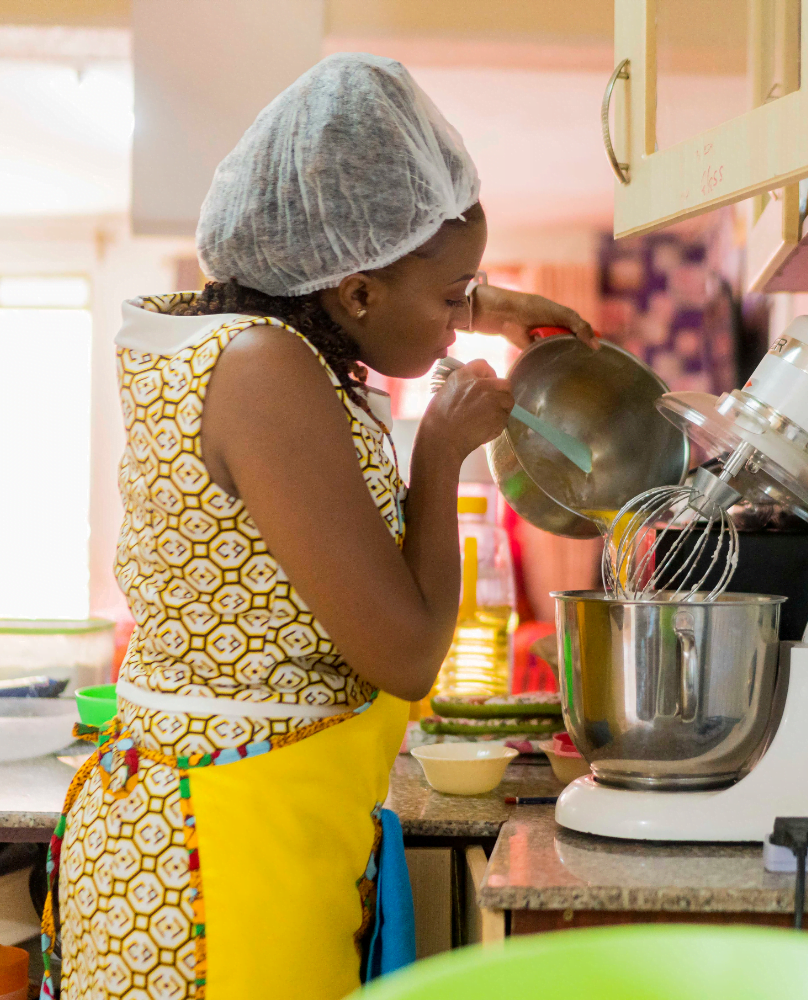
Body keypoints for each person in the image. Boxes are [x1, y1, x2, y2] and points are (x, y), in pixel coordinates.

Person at [41, 53, 593, 1000]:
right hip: (219, 859)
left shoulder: (243, 333)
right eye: (452, 296)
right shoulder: (267, 373)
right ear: (357, 292)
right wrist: (440, 454)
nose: (461, 320)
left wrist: (476, 303)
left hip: (234, 824)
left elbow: (376, 291)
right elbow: (408, 657)